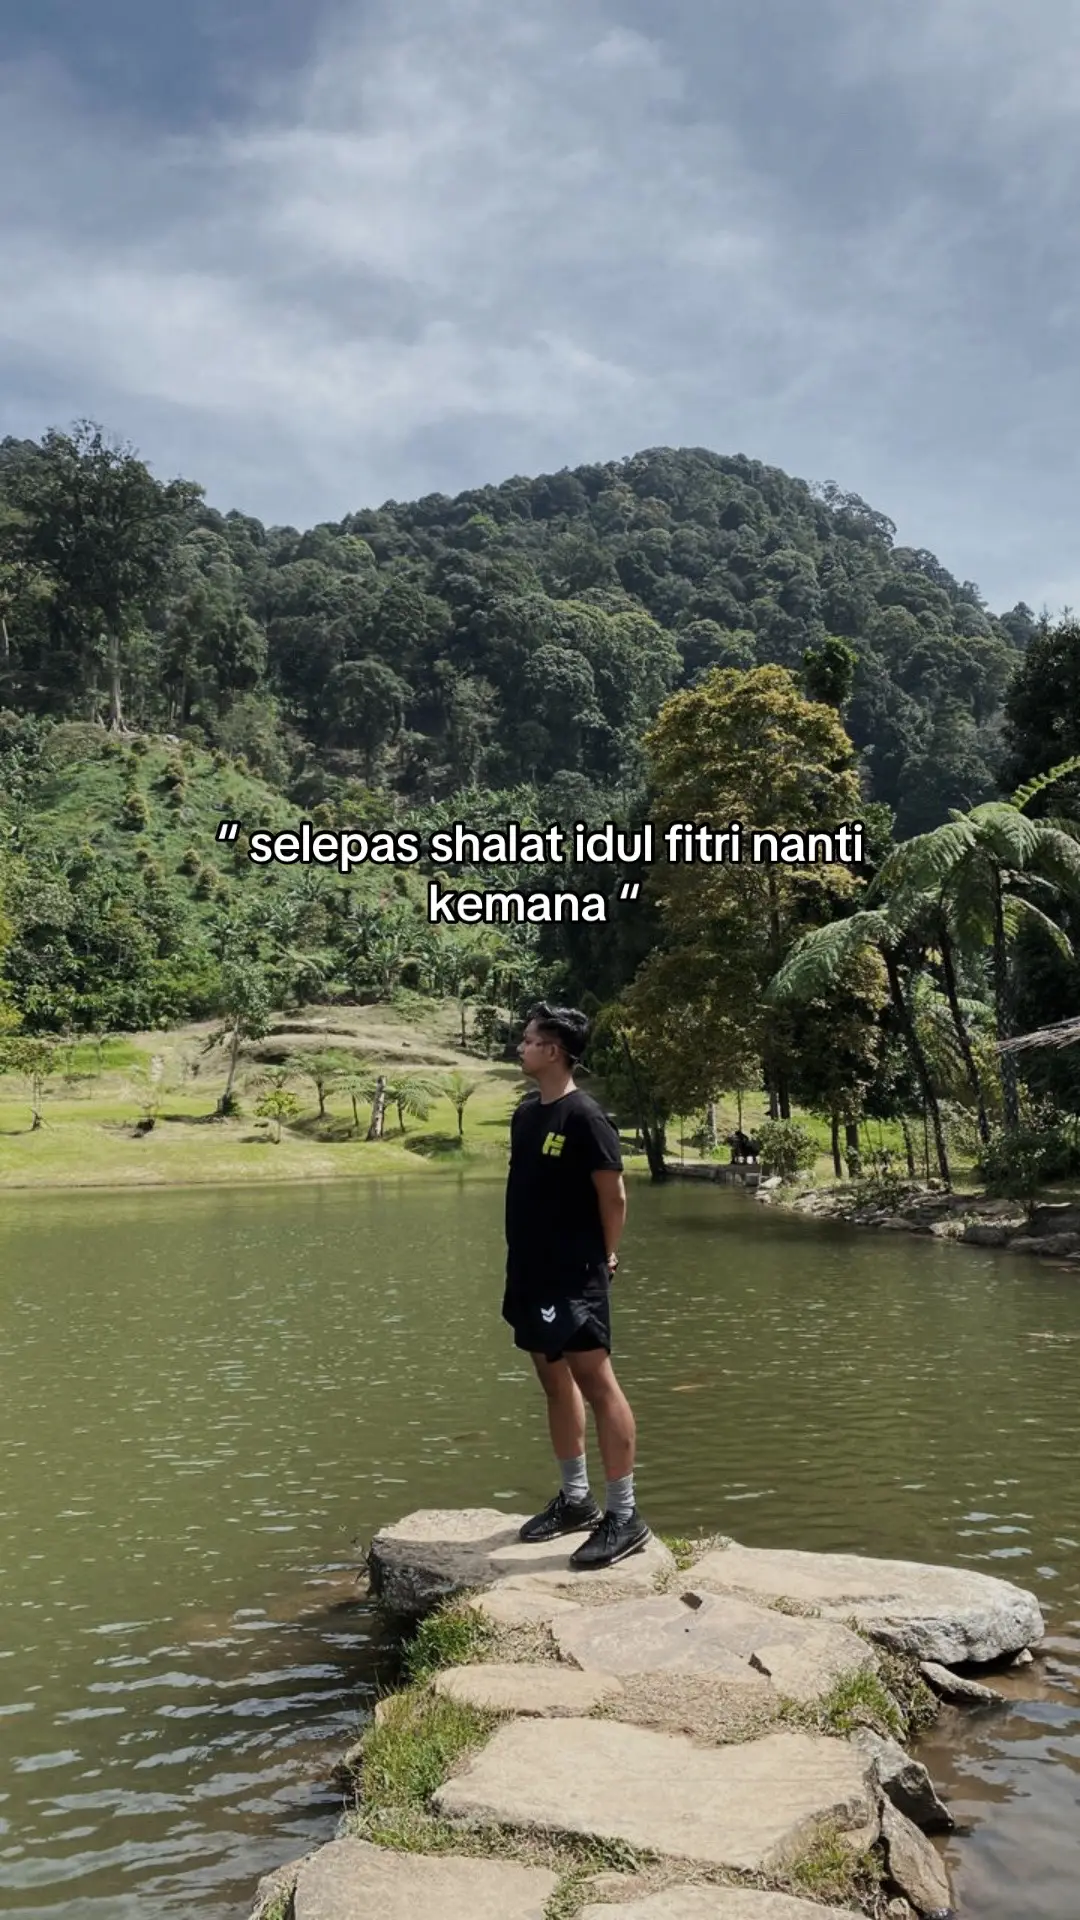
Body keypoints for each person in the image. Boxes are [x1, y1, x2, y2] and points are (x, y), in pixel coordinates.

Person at [502, 1001, 650, 1570]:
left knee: (596, 1382)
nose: (521, 1047)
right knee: (553, 1381)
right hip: (531, 1272)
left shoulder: (586, 1117)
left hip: (574, 1275)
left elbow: (614, 1197)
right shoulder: (525, 1115)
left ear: (554, 1050)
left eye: (529, 1039)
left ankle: (625, 1515)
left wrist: (605, 1254)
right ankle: (576, 1500)